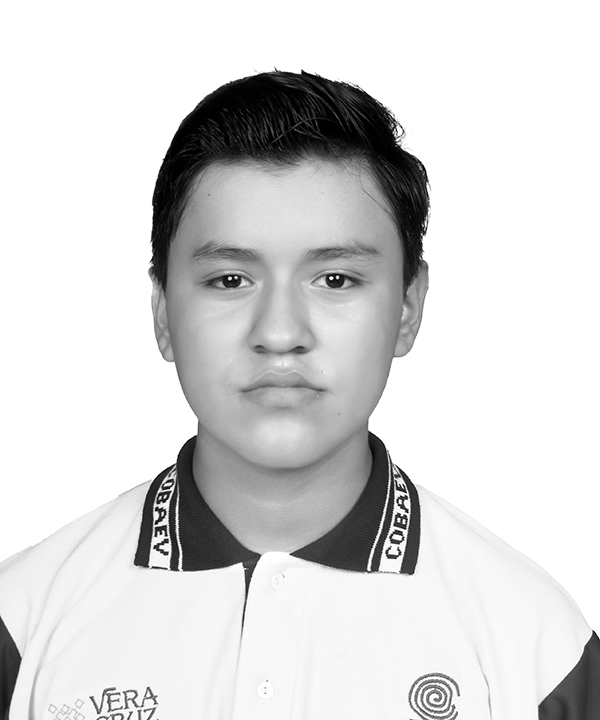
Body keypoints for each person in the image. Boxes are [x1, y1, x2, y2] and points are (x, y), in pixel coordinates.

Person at [0, 70, 597, 720]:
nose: (280, 334)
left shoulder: (539, 650)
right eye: (230, 280)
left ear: (408, 306)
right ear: (163, 312)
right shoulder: (20, 624)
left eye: (335, 279)